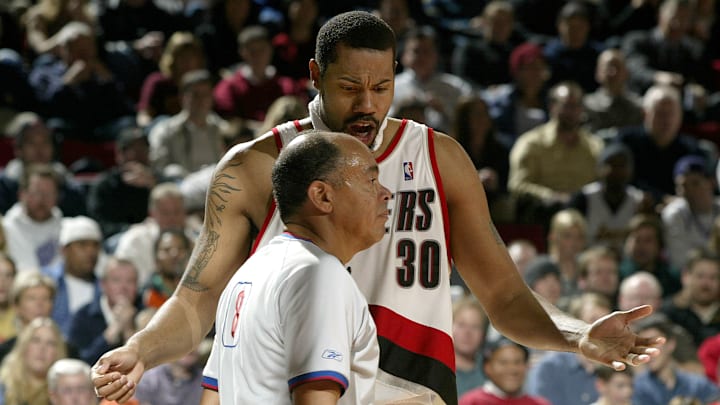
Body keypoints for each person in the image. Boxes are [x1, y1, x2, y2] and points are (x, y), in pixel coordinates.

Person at [93, 11, 663, 405]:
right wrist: (140, 350)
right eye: (349, 88)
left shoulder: (440, 159)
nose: (367, 105)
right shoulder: (255, 167)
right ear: (314, 76)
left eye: (382, 87)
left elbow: (506, 296)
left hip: (414, 389)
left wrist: (576, 334)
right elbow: (198, 301)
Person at [203, 132, 389, 403]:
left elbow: (213, 396)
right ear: (322, 196)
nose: (385, 193)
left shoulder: (249, 271)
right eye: (371, 181)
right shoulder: (320, 274)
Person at [459, 338, 551, 405]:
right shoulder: (472, 402)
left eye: (517, 362)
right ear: (488, 367)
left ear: (527, 366)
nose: (512, 369)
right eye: (503, 363)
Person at [0, 317, 67, 405]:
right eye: (36, 340)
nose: (42, 349)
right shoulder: (2, 388)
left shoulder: (65, 396)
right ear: (24, 346)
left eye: (50, 343)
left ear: (57, 352)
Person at [453, 296, 488, 398]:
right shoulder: (435, 370)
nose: (467, 332)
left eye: (475, 326)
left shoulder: (491, 370)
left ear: (483, 333)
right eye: (461, 325)